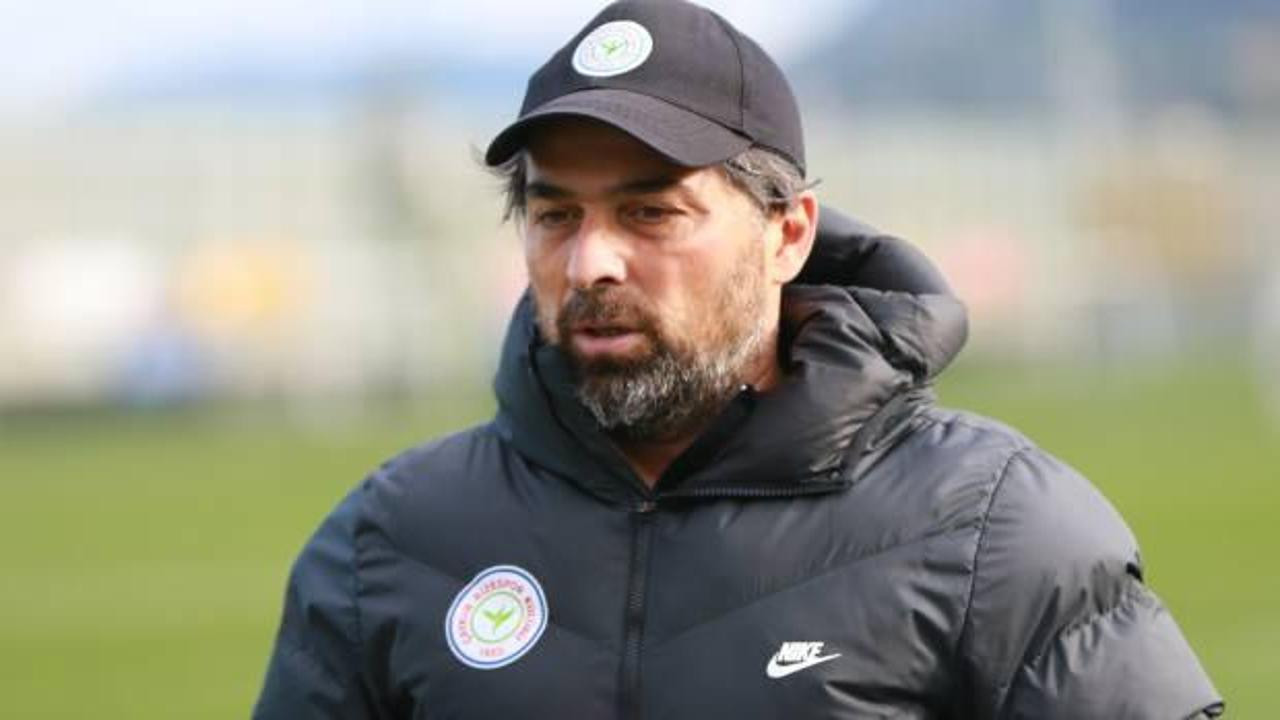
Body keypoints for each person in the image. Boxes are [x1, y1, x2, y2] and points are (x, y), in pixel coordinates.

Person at [254, 1, 1223, 717]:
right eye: (555, 215)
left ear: (786, 233)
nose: (590, 262)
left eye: (650, 212)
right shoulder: (387, 545)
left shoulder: (993, 532)